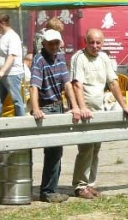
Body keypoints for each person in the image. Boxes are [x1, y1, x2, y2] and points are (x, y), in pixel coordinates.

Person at [70, 28, 128, 199]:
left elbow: (112, 83)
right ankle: (80, 186)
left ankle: (90, 184)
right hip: (86, 111)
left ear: (103, 43)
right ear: (86, 42)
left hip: (100, 111)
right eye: (91, 42)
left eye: (98, 43)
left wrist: (124, 105)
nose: (95, 46)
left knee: (95, 148)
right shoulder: (79, 58)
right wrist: (82, 108)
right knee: (85, 148)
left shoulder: (104, 58)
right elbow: (77, 85)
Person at [29, 29, 81, 203]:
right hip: (46, 108)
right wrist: (36, 108)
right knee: (53, 151)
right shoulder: (39, 59)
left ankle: (50, 189)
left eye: (56, 43)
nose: (53, 46)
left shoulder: (60, 58)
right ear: (43, 44)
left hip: (58, 107)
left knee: (56, 152)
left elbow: (67, 85)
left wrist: (74, 107)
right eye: (50, 43)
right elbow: (34, 86)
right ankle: (48, 191)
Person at [0, 14, 25, 118]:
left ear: (2, 23)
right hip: (2, 75)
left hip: (11, 74)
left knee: (16, 100)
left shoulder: (13, 37)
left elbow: (12, 55)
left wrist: (2, 70)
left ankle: (22, 123)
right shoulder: (4, 37)